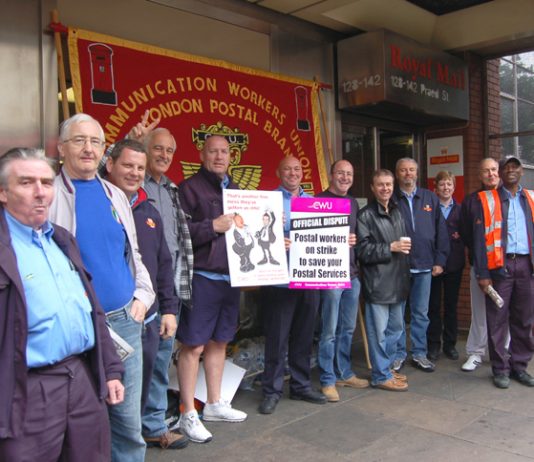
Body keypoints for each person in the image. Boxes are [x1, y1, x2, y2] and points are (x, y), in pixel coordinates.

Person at [0, 148, 125, 461]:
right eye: (26, 183)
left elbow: (92, 310)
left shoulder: (63, 240)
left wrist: (110, 369)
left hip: (81, 378)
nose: (41, 192)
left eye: (46, 182)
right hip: (27, 388)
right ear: (3, 192)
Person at [49, 113, 155, 462]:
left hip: (125, 320)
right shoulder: (48, 195)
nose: (88, 148)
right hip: (76, 326)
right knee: (80, 424)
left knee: (127, 424)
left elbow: (133, 253)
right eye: (79, 140)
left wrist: (143, 296)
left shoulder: (115, 194)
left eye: (95, 141)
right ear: (61, 148)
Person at [104, 139, 188, 450]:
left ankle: (146, 431)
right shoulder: (101, 204)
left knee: (149, 376)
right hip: (112, 318)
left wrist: (168, 308)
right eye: (127, 165)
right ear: (110, 165)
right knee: (114, 386)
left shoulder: (148, 208)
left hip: (149, 316)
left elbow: (164, 262)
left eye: (139, 168)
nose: (134, 173)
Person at [177, 135, 247, 443]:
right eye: (213, 151)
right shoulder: (188, 188)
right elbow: (178, 233)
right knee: (193, 346)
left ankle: (215, 403)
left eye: (224, 152)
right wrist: (212, 227)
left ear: (231, 156)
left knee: (220, 341)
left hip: (231, 278)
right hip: (203, 277)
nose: (219, 156)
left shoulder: (237, 191)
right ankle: (186, 412)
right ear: (202, 154)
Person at [129, 120, 193, 445]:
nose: (164, 154)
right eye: (158, 148)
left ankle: (152, 427)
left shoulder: (171, 189)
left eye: (170, 150)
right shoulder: (128, 184)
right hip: (134, 291)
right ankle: (129, 430)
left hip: (169, 290)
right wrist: (130, 141)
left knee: (159, 359)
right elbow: (101, 171)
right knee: (133, 363)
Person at [258, 155, 326, 415]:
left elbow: (325, 237)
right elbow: (255, 235)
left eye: (297, 168)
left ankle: (300, 386)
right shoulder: (267, 202)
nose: (293, 173)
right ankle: (271, 391)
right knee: (276, 338)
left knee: (304, 336)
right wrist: (277, 240)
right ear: (279, 172)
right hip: (278, 281)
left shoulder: (315, 203)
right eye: (287, 169)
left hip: (309, 279)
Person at [473, 156, 534, 389]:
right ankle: (500, 369)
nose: (511, 171)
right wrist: (482, 273)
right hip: (500, 268)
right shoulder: (488, 199)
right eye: (506, 168)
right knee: (497, 320)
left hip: (527, 267)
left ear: (521, 172)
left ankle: (520, 366)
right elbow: (479, 240)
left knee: (524, 319)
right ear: (499, 173)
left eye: (515, 167)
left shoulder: (530, 198)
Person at [316, 160, 369, 402]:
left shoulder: (353, 203)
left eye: (349, 174)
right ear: (331, 175)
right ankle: (327, 378)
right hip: (330, 276)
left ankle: (344, 372)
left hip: (352, 274)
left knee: (347, 328)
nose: (345, 178)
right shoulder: (318, 201)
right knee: (328, 330)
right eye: (340, 173)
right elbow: (311, 238)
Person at [392, 158, 449, 373]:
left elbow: (441, 231)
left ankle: (419, 353)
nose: (408, 173)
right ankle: (398, 355)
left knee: (420, 314)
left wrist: (440, 260)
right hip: (398, 267)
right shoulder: (391, 198)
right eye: (404, 170)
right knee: (397, 315)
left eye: (412, 170)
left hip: (425, 266)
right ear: (398, 174)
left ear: (417, 173)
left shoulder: (430, 197)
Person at [356, 169, 411, 391]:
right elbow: (362, 250)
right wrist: (391, 247)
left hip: (398, 281)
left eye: (388, 184)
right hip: (378, 283)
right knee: (378, 334)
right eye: (380, 184)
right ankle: (379, 375)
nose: (385, 188)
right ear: (372, 187)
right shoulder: (366, 215)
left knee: (396, 330)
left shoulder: (397, 210)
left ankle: (386, 370)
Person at [459, 157, 500, 371]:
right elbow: (466, 233)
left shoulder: (509, 197)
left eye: (494, 169)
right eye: (486, 171)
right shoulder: (472, 200)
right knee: (479, 311)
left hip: (505, 267)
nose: (490, 174)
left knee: (505, 310)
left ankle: (503, 352)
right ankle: (476, 352)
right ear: (479, 175)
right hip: (480, 266)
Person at [427, 171, 465, 361]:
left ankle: (450, 344)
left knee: (451, 306)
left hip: (454, 265)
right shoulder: (429, 208)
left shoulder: (461, 209)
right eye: (442, 184)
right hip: (433, 264)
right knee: (433, 306)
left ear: (454, 187)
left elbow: (467, 233)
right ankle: (433, 345)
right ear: (435, 187)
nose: (446, 188)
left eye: (449, 184)